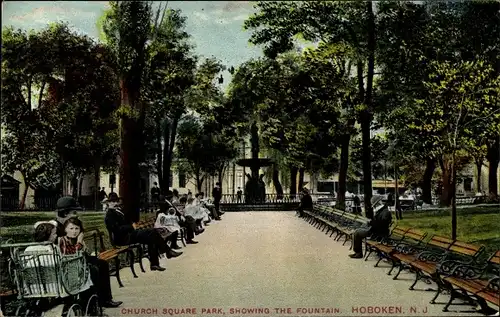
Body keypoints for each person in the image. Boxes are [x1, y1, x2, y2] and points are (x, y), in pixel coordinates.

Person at [104, 193, 181, 272]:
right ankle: (166, 252)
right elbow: (117, 230)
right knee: (152, 232)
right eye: (112, 202)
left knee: (152, 236)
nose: (115, 203)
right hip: (122, 239)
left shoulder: (118, 211)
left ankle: (155, 263)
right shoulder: (109, 215)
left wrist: (131, 224)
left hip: (129, 234)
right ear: (108, 203)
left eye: (116, 201)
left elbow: (126, 222)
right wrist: (131, 227)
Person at [58, 218, 122, 308]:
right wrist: (79, 242)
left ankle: (107, 299)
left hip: (82, 261)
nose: (74, 232)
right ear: (65, 229)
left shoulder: (76, 238)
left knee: (103, 264)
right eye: (71, 229)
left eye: (77, 229)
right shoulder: (63, 240)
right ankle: (93, 302)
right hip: (72, 265)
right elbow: (71, 254)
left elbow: (85, 253)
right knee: (93, 270)